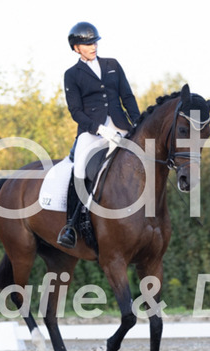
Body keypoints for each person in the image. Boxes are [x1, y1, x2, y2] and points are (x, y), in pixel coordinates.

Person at [57, 21, 141, 249]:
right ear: (76, 48)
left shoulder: (112, 64)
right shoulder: (71, 74)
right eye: (87, 44)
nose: (93, 46)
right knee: (79, 167)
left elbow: (127, 96)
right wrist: (98, 129)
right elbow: (75, 111)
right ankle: (72, 225)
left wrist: (138, 122)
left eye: (94, 42)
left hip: (121, 125)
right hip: (92, 131)